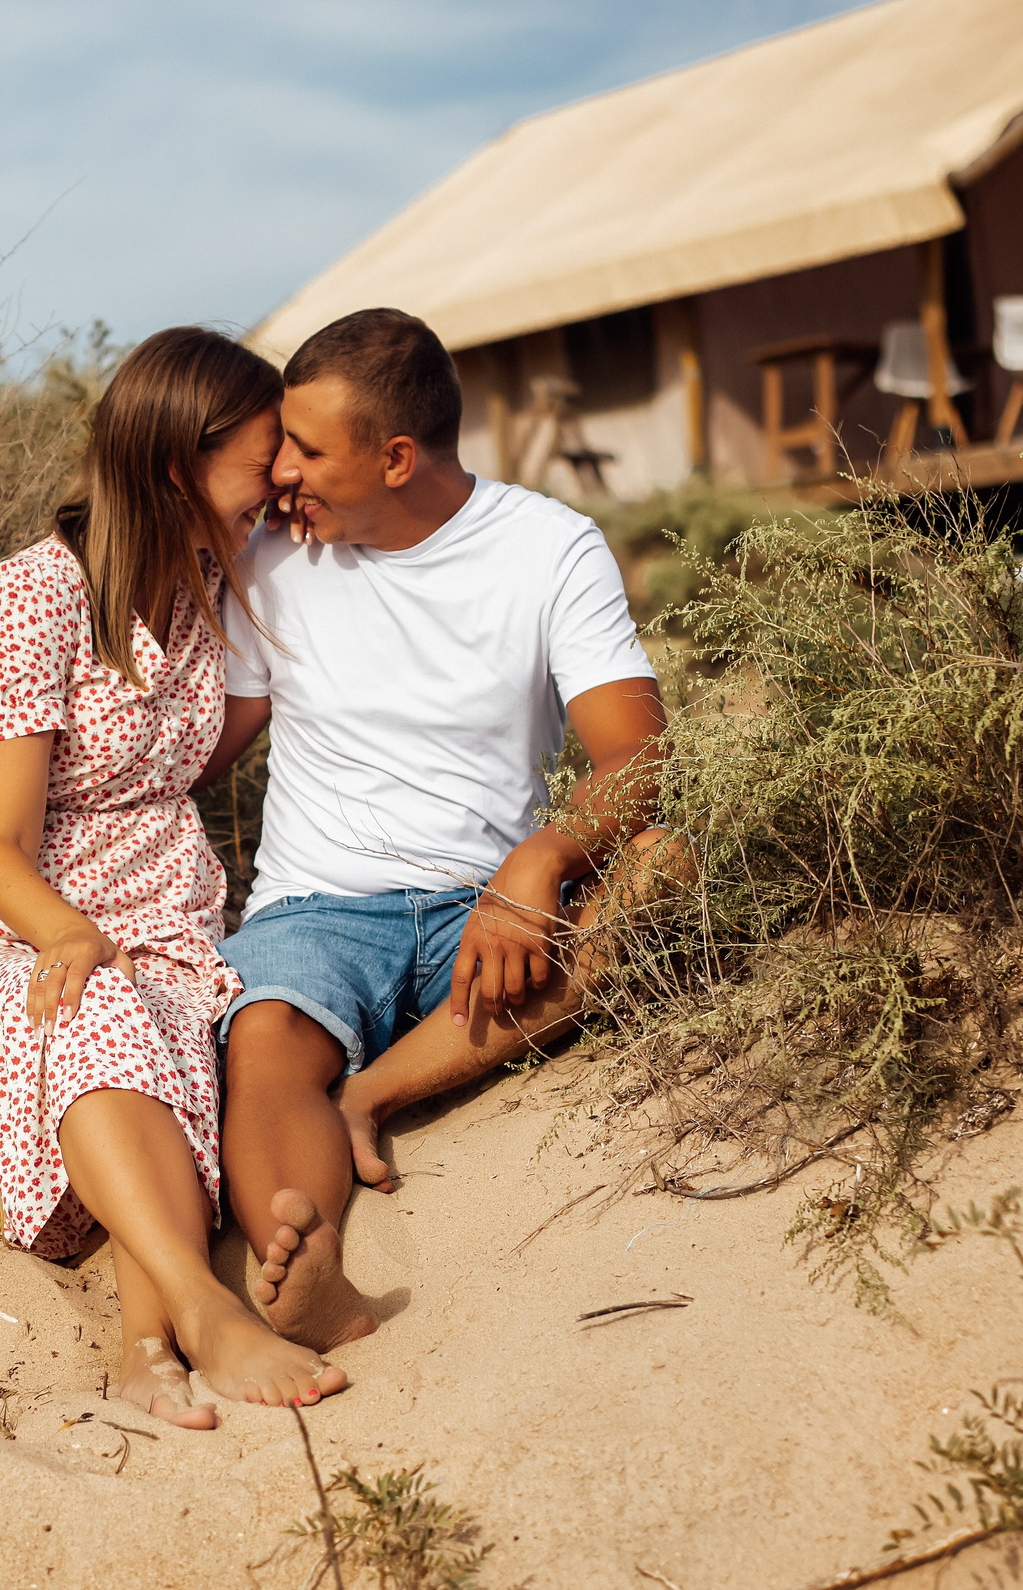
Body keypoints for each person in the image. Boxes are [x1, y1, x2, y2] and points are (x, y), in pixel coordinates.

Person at [0, 326, 345, 1428]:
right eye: (264, 456)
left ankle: (144, 1348)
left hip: (166, 912)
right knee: (99, 1001)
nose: (281, 477)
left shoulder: (214, 580)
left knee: (159, 1034)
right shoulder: (39, 596)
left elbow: (188, 758)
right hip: (12, 923)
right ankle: (199, 1309)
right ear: (179, 464)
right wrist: (69, 930)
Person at [205, 308, 679, 1355]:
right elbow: (194, 750)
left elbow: (641, 756)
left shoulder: (549, 548)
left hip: (485, 912)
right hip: (319, 908)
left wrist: (539, 861)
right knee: (266, 1031)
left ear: (396, 457)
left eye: (307, 449)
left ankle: (370, 1093)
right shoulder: (272, 557)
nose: (281, 471)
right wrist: (20, 756)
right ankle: (307, 1261)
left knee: (662, 868)